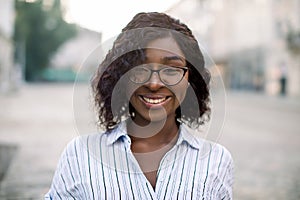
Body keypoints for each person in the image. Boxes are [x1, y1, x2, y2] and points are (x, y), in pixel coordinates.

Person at [45, 12, 233, 199]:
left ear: (190, 80)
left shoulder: (216, 161)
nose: (154, 84)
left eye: (171, 70)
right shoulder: (79, 155)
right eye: (139, 69)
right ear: (121, 77)